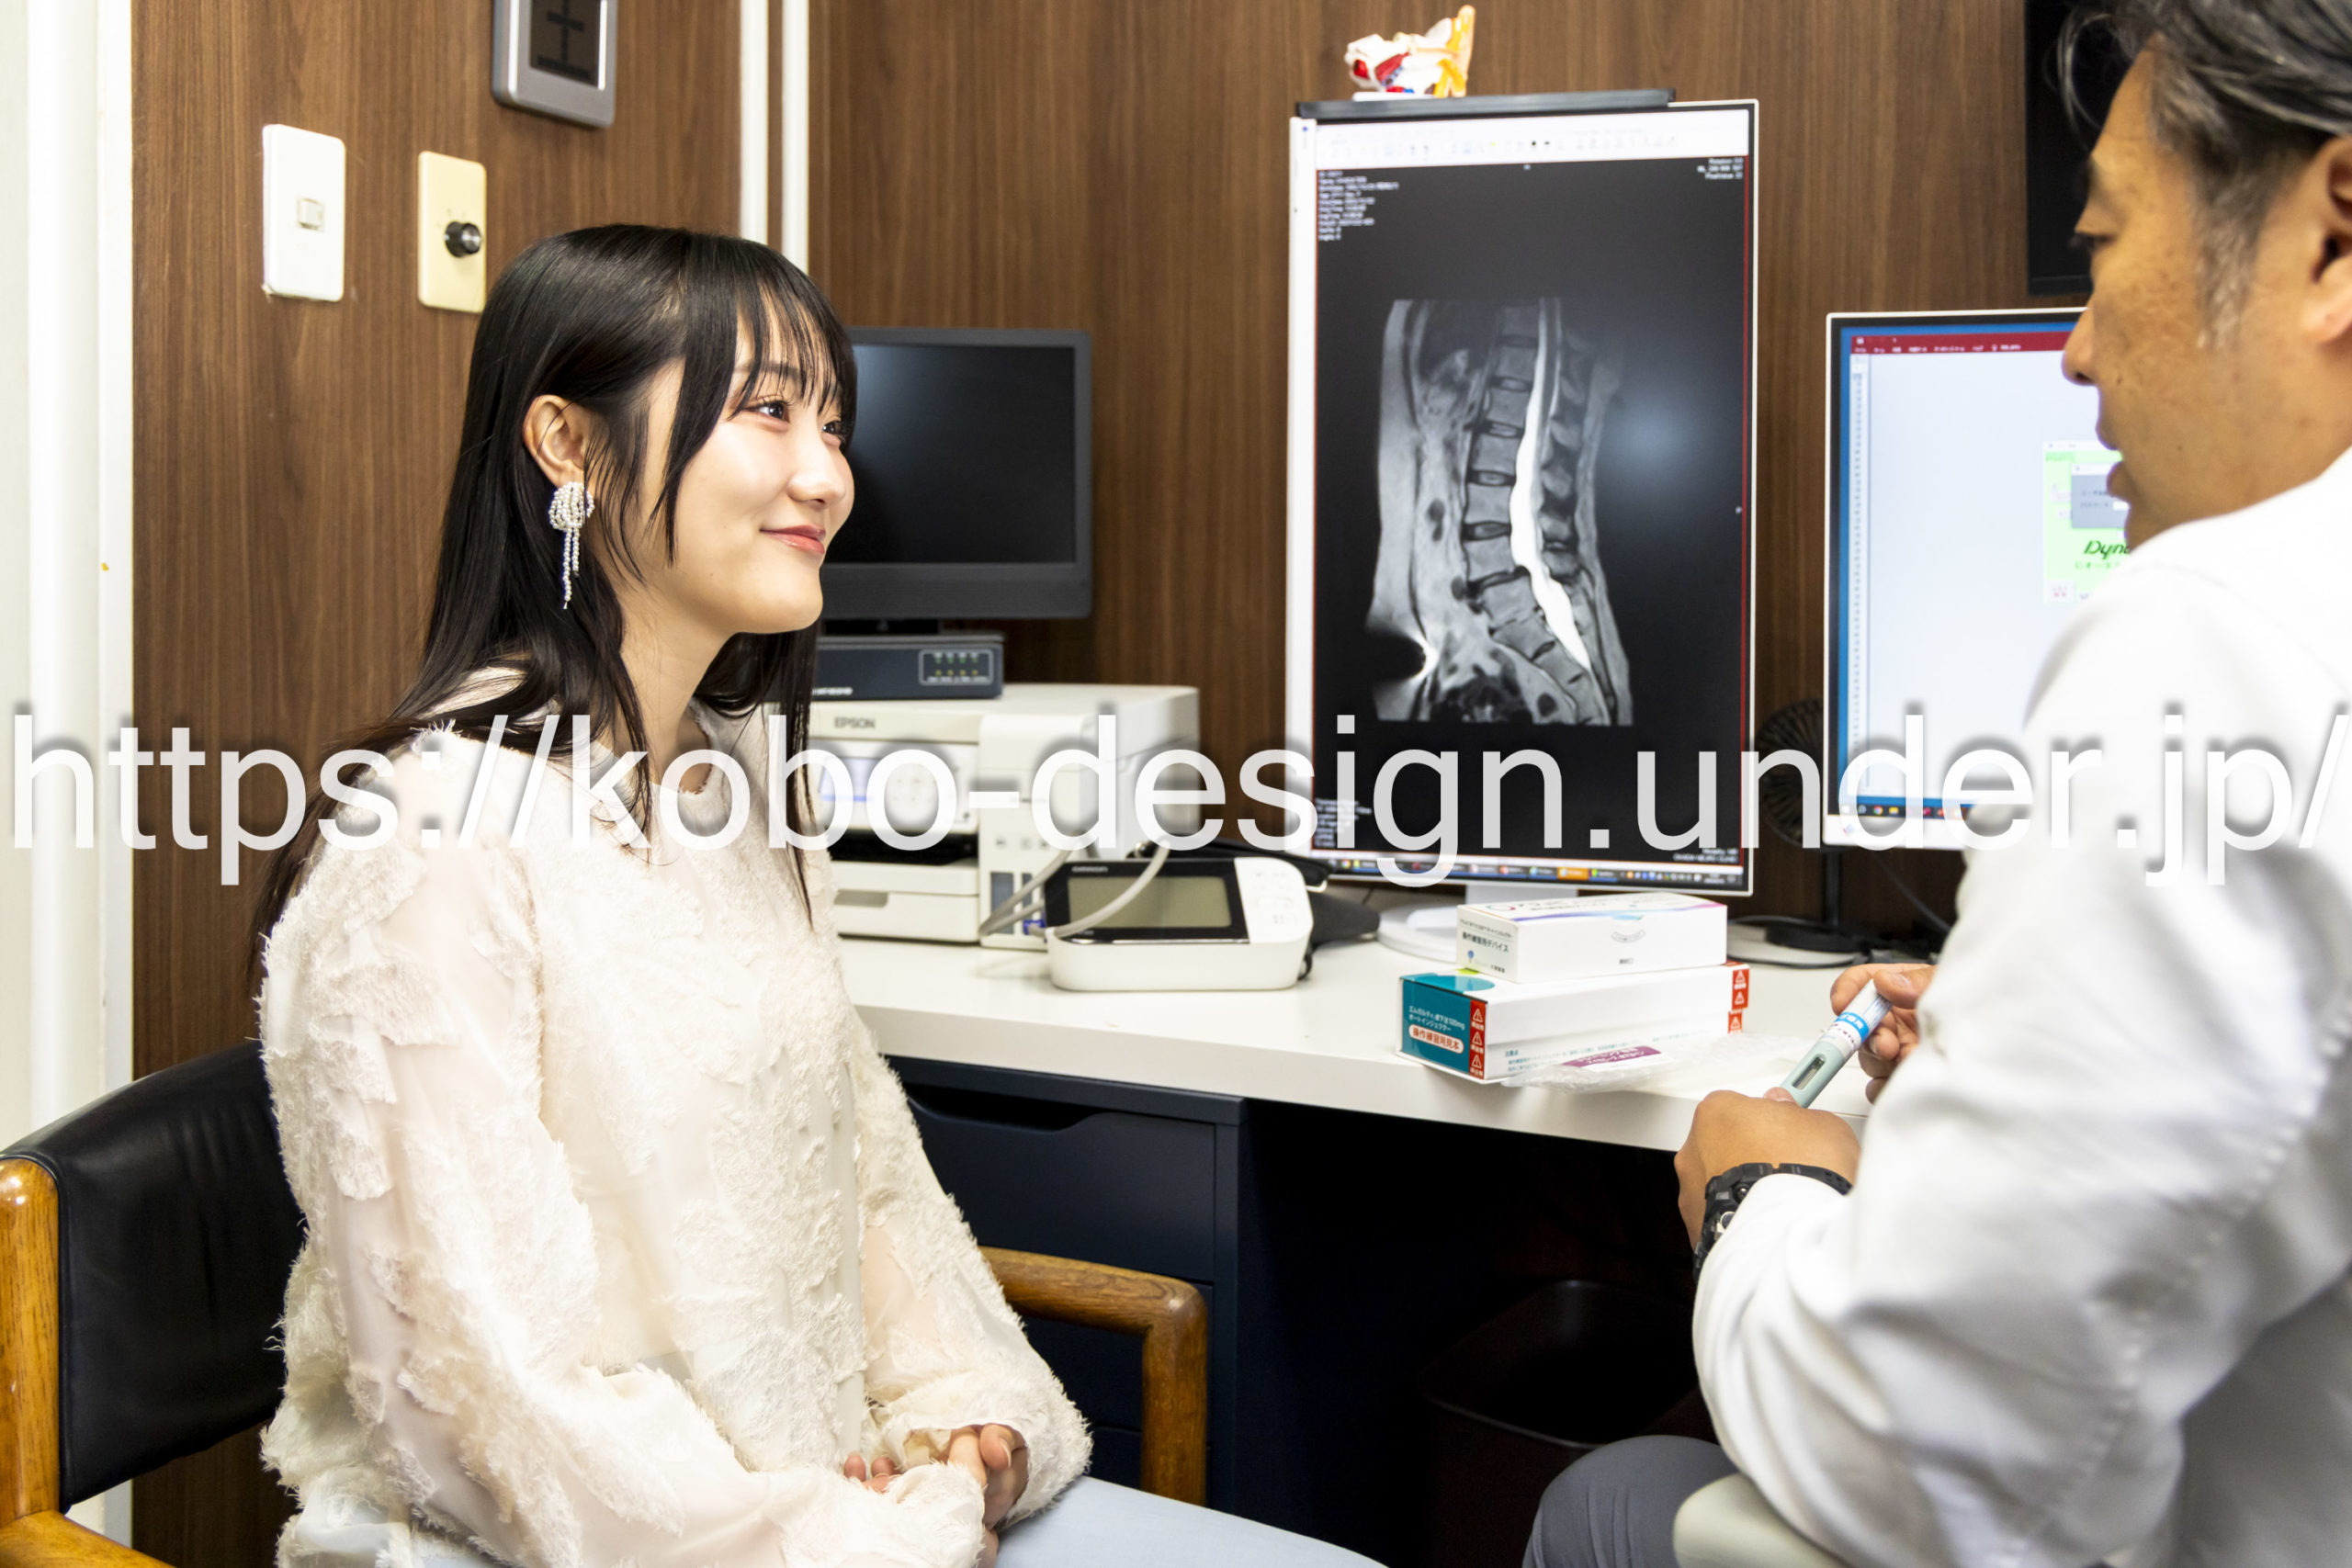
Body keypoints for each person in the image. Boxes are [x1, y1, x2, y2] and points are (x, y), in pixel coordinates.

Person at [251, 226, 1378, 1568]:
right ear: (568, 445)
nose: (829, 476)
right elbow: (480, 1406)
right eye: (768, 412)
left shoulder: (735, 792)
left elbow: (857, 1179)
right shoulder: (429, 850)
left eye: (833, 424)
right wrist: (847, 1542)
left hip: (828, 1504)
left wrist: (968, 1416)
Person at [1526, 2, 2352, 1564]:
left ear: (2334, 238)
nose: (2075, 346)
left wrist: (1762, 1192)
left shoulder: (2227, 636)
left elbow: (1917, 1465)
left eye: (2101, 248)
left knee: (1606, 1503)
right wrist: (2018, 1050)